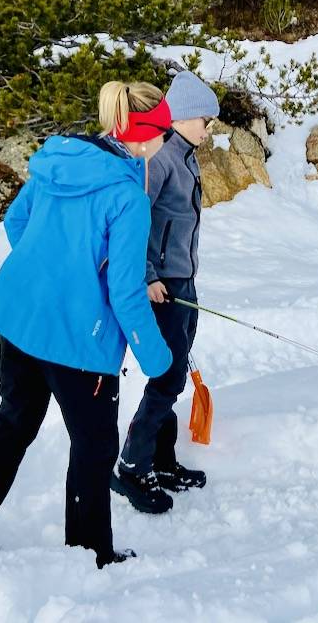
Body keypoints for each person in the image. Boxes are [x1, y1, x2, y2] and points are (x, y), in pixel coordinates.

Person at [0, 81, 174, 567]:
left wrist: (52, 273)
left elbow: (16, 223)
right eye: (164, 129)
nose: (166, 138)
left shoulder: (59, 160)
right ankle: (89, 556)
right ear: (146, 135)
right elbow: (126, 293)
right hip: (76, 341)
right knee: (95, 444)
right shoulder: (128, 196)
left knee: (13, 426)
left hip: (19, 319)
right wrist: (158, 360)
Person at [112, 71, 219, 515]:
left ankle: (163, 458)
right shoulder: (158, 160)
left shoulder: (186, 156)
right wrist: (149, 274)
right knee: (168, 377)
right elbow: (136, 224)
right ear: (183, 117)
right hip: (162, 286)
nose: (209, 129)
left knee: (171, 375)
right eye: (205, 121)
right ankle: (131, 466)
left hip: (183, 280)